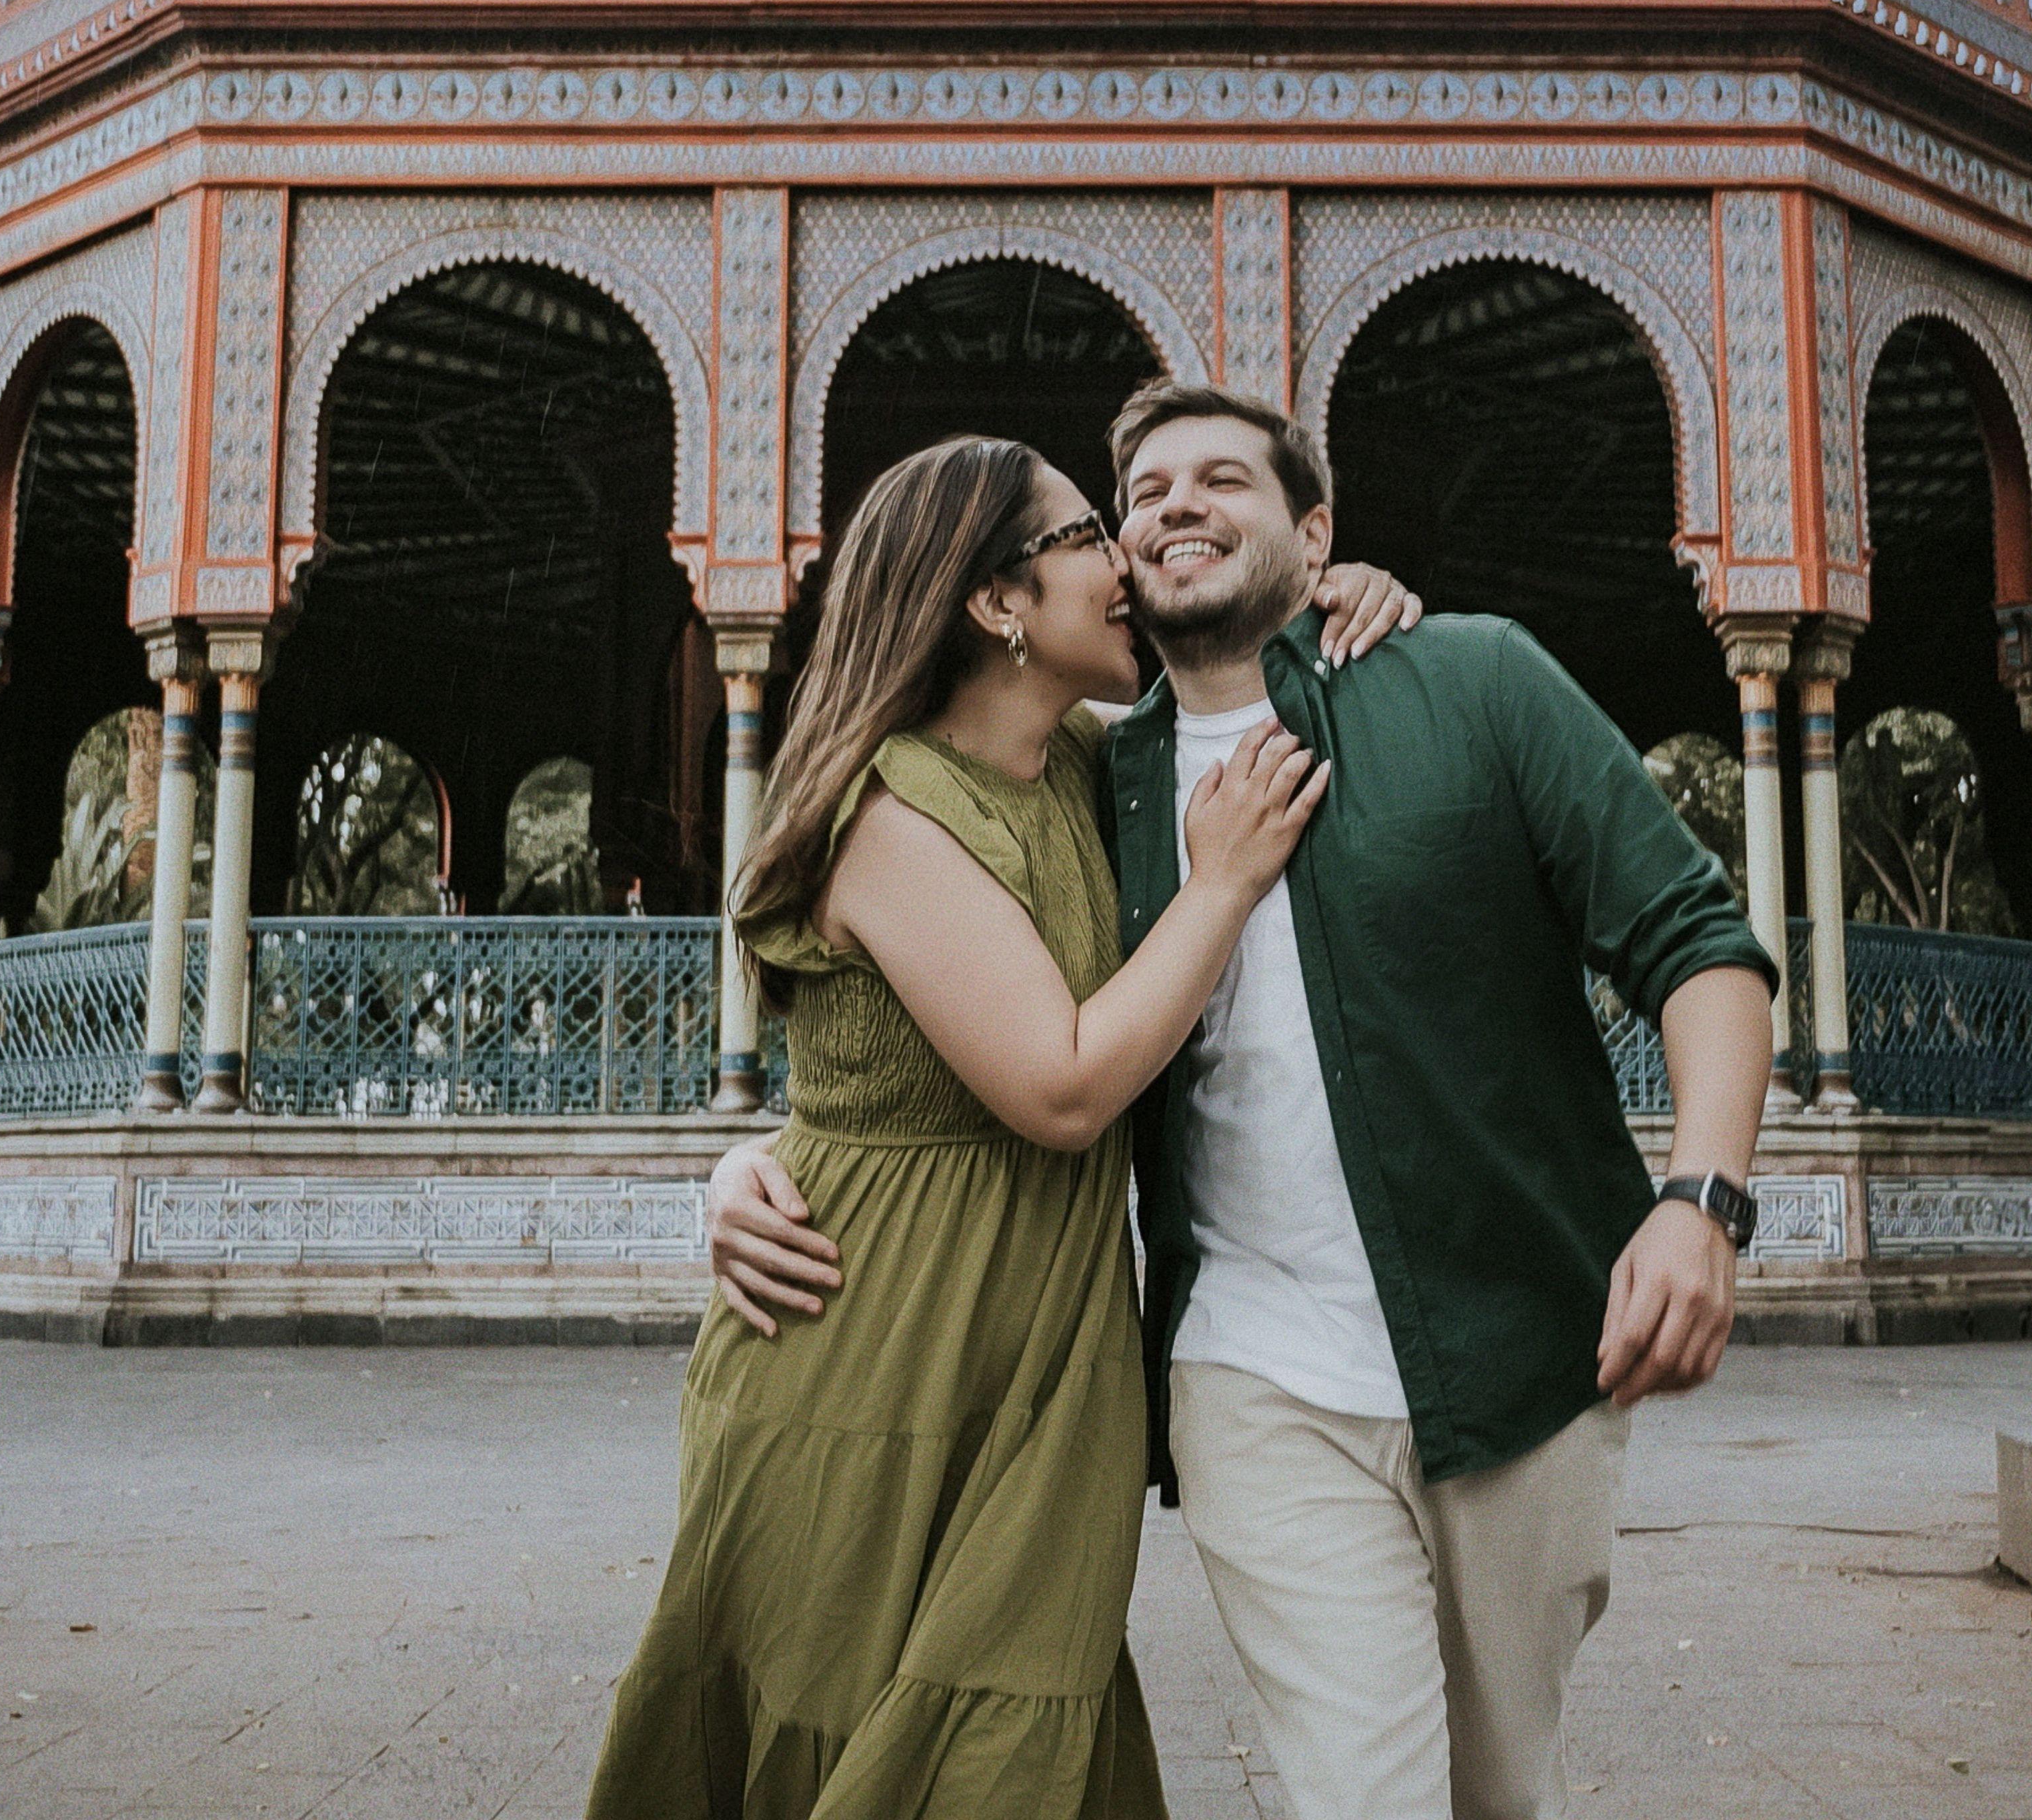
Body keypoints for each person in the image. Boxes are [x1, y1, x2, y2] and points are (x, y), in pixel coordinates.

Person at [710, 383, 1781, 1820]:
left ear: (1316, 535)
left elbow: (1698, 945)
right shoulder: (1101, 776)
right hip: (1247, 1378)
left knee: (1499, 1791)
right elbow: (925, 1002)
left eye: (1222, 479)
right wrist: (748, 1160)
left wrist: (1699, 1201)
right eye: (1137, 499)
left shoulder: (1471, 682)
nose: (1171, 510)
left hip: (1522, 1354)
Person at [586, 433, 1421, 1820]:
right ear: (995, 603)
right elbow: (1064, 1088)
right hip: (872, 1366)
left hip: (1034, 1369)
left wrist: (1333, 592)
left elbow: (1241, 683)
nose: (1126, 557)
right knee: (866, 1740)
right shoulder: (889, 814)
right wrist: (1219, 885)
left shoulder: (1085, 767)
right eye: (1090, 534)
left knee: (1006, 1748)